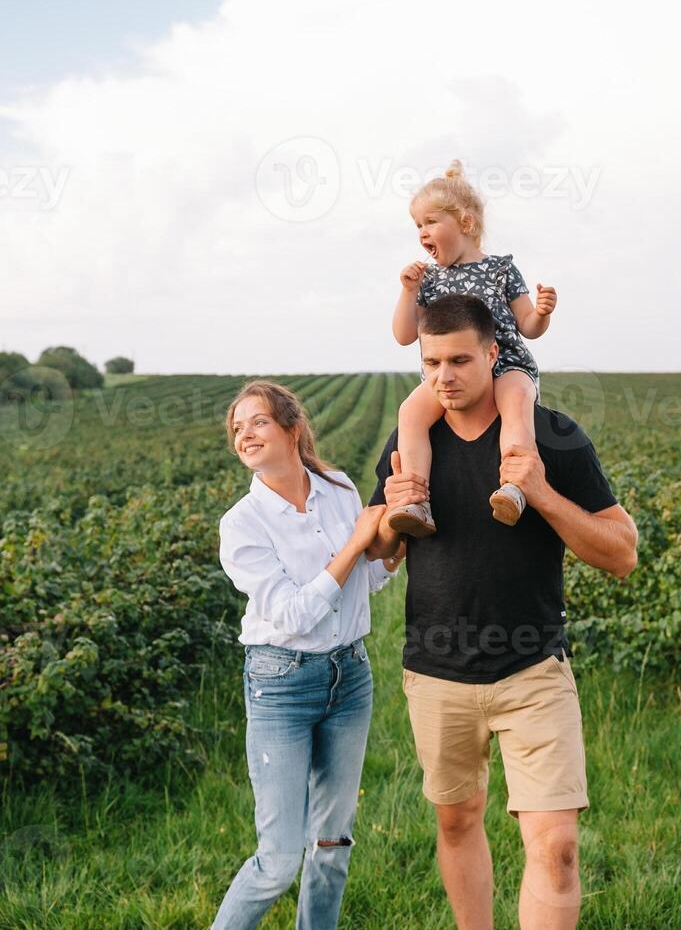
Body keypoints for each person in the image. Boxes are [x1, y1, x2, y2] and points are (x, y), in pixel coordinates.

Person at [365, 295, 638, 930]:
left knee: (558, 848)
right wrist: (388, 512)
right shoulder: (412, 439)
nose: (445, 376)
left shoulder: (552, 436)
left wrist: (540, 491)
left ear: (494, 353)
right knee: (457, 821)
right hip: (436, 673)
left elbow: (621, 553)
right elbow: (382, 551)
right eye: (431, 363)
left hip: (533, 670)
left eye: (460, 359)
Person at [211, 379, 405, 930]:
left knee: (332, 842)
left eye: (257, 422)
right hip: (282, 684)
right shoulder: (241, 525)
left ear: (292, 429)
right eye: (237, 427)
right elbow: (294, 614)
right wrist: (355, 543)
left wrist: (394, 543)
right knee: (277, 861)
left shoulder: (340, 489)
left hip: (351, 678)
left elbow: (363, 581)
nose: (244, 434)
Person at [387, 159, 560, 537]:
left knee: (515, 401)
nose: (422, 232)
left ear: (464, 223)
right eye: (417, 225)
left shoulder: (501, 269)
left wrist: (543, 313)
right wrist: (408, 290)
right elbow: (404, 335)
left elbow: (528, 325)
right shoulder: (428, 280)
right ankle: (416, 501)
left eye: (430, 222)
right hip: (448, 376)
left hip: (507, 366)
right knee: (410, 413)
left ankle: (515, 486)